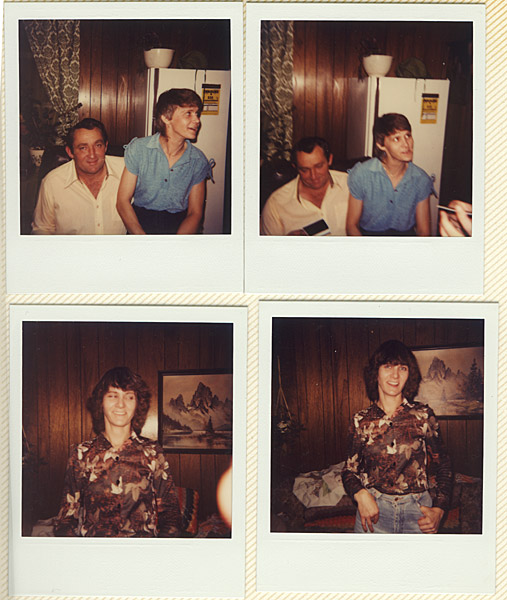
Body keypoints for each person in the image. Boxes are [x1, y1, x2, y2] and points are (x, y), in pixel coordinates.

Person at [54, 367, 182, 537]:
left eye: (129, 396)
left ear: (137, 403)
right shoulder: (80, 454)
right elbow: (66, 518)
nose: (121, 404)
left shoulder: (153, 453)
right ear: (101, 401)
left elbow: (171, 515)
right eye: (113, 396)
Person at [341, 340, 452, 534]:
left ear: (409, 374)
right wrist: (360, 494)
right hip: (373, 515)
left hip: (418, 514)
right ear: (376, 372)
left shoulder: (423, 415)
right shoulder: (360, 420)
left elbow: (443, 464)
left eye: (402, 368)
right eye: (388, 366)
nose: (395, 375)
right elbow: (349, 470)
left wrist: (439, 510)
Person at [116, 88, 211, 234]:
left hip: (179, 225)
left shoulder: (198, 161)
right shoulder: (139, 149)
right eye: (188, 113)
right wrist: (141, 239)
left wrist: (175, 244)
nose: (197, 120)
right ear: (166, 118)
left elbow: (195, 213)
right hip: (140, 222)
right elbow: (122, 202)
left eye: (197, 114)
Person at [31, 118, 126, 235]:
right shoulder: (52, 183)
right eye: (83, 148)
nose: (92, 155)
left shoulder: (126, 171)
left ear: (105, 147)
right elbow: (42, 229)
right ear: (70, 152)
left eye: (98, 145)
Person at [346, 113, 432, 236]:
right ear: (381, 144)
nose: (406, 145)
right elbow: (351, 226)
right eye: (397, 139)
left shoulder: (421, 179)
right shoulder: (361, 174)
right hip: (369, 238)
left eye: (408, 136)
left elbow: (424, 231)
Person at [260, 137, 349, 236]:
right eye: (304, 170)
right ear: (295, 167)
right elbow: (268, 245)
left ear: (330, 160)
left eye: (319, 166)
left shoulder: (350, 185)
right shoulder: (276, 204)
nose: (313, 176)